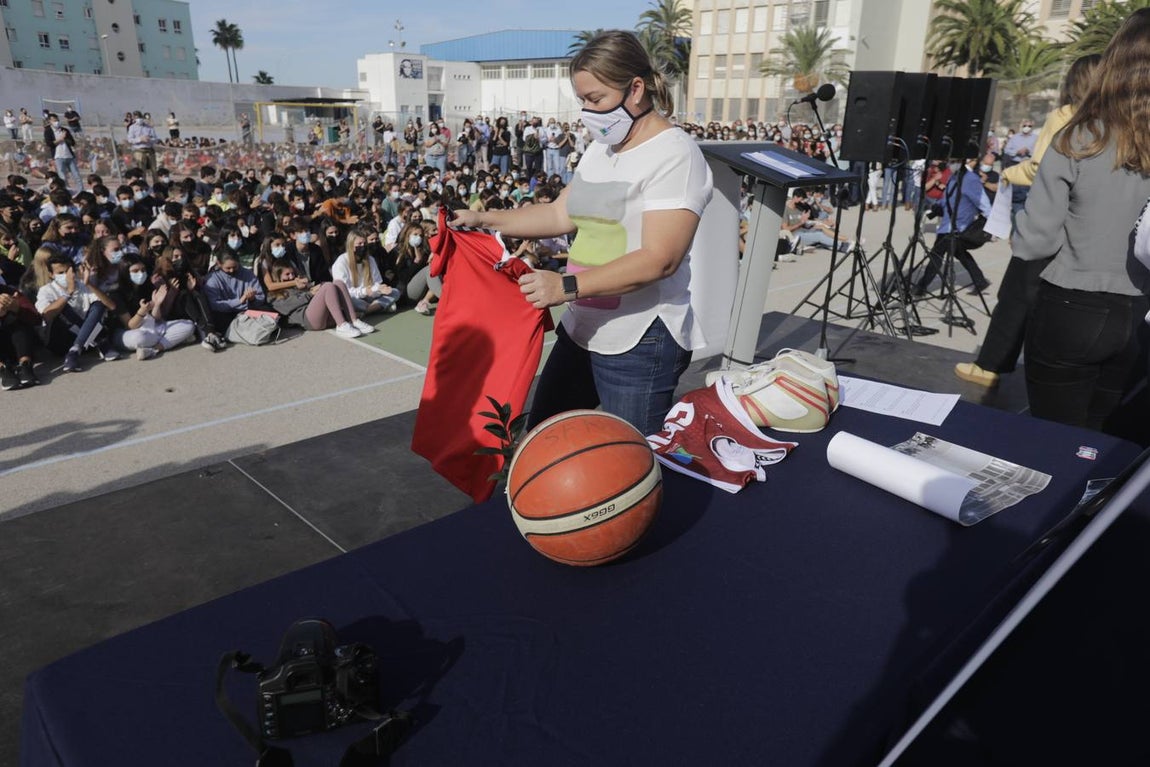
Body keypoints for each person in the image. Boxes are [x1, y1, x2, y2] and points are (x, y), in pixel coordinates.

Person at [449, 30, 713, 436]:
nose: (587, 112)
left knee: (633, 459)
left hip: (639, 339)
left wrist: (565, 287)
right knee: (543, 439)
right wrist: (484, 219)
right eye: (582, 101)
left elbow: (661, 257)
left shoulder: (676, 155)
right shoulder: (600, 150)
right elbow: (559, 214)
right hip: (583, 327)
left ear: (636, 89)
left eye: (596, 100)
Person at [1016, 10, 1150, 436]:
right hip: (1138, 311)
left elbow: (1034, 241)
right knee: (1100, 445)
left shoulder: (1081, 137)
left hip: (1073, 303)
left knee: (1053, 443)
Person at [955, 54, 1101, 388]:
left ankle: (989, 365)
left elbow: (1041, 167)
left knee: (1017, 294)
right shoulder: (1113, 122)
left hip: (1050, 222)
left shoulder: (1064, 116)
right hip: (1085, 227)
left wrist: (1007, 174)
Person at [266, 260, 373, 338]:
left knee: (337, 283)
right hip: (309, 320)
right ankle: (341, 325)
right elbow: (287, 307)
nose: (291, 277)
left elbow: (314, 292)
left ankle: (353, 320)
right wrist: (309, 294)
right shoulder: (274, 295)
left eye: (293, 273)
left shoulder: (298, 287)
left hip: (324, 316)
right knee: (328, 287)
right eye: (287, 274)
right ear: (278, 277)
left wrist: (312, 287)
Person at [43, 113, 82, 192]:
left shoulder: (65, 130)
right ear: (50, 121)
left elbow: (72, 142)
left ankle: (81, 191)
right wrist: (60, 139)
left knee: (76, 175)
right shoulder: (48, 131)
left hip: (69, 156)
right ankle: (66, 191)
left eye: (57, 120)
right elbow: (49, 144)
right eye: (54, 120)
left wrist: (66, 138)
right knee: (62, 177)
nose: (56, 122)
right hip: (58, 157)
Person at [127, 111, 159, 186]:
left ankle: (157, 185)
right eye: (136, 117)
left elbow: (156, 139)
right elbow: (130, 139)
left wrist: (149, 139)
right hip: (139, 150)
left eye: (140, 117)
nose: (139, 119)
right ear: (134, 118)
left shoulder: (149, 127)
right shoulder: (132, 127)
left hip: (149, 150)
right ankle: (143, 185)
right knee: (142, 170)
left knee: (154, 170)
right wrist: (140, 139)